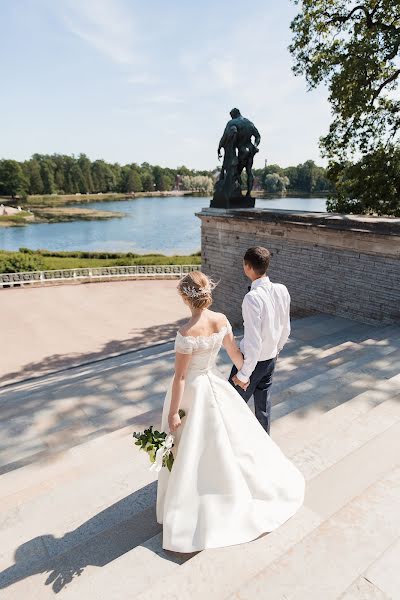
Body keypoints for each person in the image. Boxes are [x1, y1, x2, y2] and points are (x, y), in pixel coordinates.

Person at [156, 271, 304, 553]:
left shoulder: (186, 333)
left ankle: (195, 494)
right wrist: (244, 375)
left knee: (192, 445)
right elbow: (235, 353)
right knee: (227, 438)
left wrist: (174, 412)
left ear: (185, 297)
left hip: (194, 392)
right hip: (215, 383)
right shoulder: (221, 320)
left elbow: (181, 378)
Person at [229, 246, 291, 435]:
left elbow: (254, 342)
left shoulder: (252, 298)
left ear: (247, 267)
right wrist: (276, 350)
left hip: (251, 363)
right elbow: (286, 328)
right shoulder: (282, 289)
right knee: (263, 411)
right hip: (271, 359)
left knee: (229, 406)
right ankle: (265, 449)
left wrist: (243, 375)